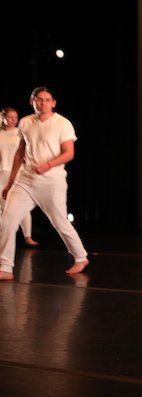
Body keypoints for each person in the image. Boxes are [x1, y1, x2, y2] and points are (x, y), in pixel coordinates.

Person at [0, 88, 90, 281]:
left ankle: (81, 257)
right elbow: (19, 153)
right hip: (25, 180)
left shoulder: (62, 123)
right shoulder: (25, 122)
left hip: (51, 181)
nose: (43, 103)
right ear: (32, 101)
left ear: (53, 103)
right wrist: (10, 182)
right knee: (7, 220)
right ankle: (5, 267)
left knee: (60, 222)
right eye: (39, 100)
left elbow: (69, 153)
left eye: (47, 100)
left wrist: (48, 165)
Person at [0, 108, 37, 248]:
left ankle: (28, 236)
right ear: (3, 118)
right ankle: (6, 237)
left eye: (15, 117)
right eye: (9, 117)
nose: (13, 119)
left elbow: (25, 151)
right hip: (2, 171)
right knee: (5, 207)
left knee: (22, 205)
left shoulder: (19, 133)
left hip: (18, 172)